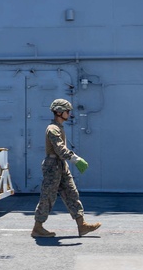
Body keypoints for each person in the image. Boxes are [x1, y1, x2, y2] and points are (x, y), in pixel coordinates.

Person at [31, 99, 101, 238]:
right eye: (67, 111)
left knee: (72, 194)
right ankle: (37, 228)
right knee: (48, 197)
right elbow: (60, 149)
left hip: (61, 165)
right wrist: (75, 159)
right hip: (52, 166)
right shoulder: (52, 129)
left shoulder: (59, 127)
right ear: (59, 112)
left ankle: (82, 225)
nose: (69, 113)